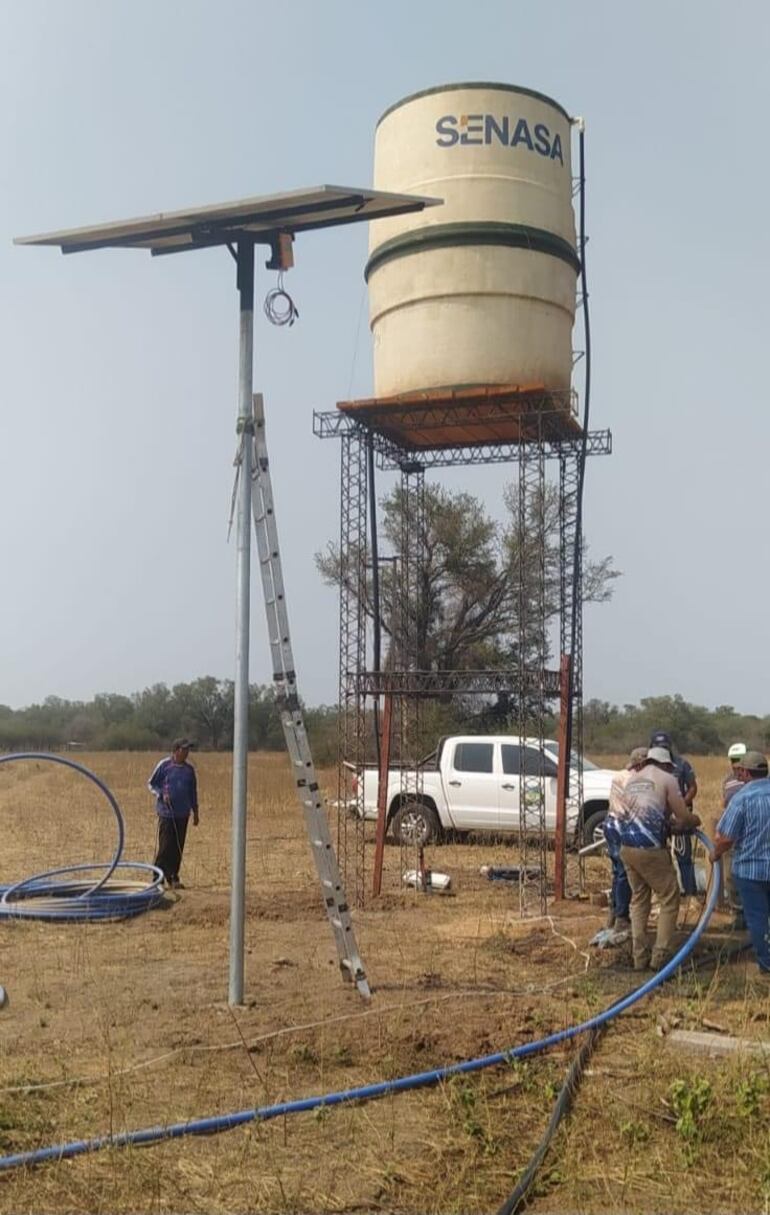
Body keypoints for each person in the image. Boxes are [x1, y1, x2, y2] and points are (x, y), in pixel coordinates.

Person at [616, 746, 700, 970]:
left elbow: (636, 814)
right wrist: (694, 820)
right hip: (650, 849)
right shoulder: (667, 779)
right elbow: (682, 815)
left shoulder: (632, 780)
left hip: (626, 847)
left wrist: (666, 823)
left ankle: (639, 957)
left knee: (639, 899)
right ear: (665, 764)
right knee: (670, 897)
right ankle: (660, 958)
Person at [712, 750, 770, 975]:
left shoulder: (742, 798)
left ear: (745, 772)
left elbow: (725, 837)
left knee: (757, 918)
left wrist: (715, 853)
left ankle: (766, 963)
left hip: (750, 871)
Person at [603, 746, 649, 933]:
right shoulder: (636, 780)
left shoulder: (619, 775)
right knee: (624, 873)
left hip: (610, 824)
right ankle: (621, 917)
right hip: (622, 827)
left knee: (617, 872)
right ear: (642, 763)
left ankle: (614, 913)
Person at [650, 730, 698, 894]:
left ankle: (691, 893)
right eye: (658, 747)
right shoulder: (649, 767)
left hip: (680, 817)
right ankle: (665, 892)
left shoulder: (682, 764)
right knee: (659, 856)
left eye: (665, 746)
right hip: (659, 818)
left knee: (684, 856)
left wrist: (681, 805)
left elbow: (692, 787)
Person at [148, 738, 199, 888]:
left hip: (183, 814)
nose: (187, 752)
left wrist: (196, 811)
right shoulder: (164, 765)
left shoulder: (189, 770)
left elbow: (193, 792)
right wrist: (161, 794)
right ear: (176, 750)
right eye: (184, 749)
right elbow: (151, 783)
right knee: (165, 846)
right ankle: (158, 878)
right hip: (166, 813)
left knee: (178, 846)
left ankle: (173, 877)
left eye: (188, 749)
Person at [714, 743, 748, 926]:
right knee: (730, 875)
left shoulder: (758, 779)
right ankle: (738, 914)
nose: (736, 764)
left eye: (739, 759)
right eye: (734, 760)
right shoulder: (728, 781)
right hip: (733, 835)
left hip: (754, 835)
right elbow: (725, 806)